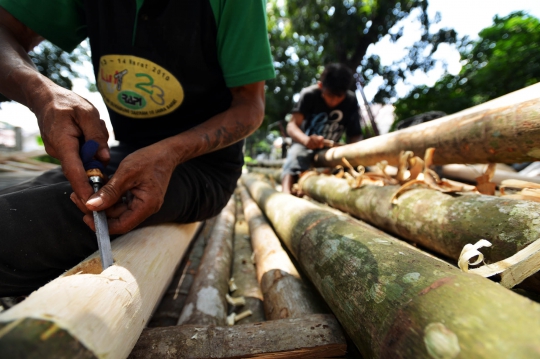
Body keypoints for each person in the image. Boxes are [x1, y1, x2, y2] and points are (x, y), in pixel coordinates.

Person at [0, 0, 275, 296]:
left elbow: (250, 107)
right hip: (126, 154)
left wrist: (170, 153)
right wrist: (42, 92)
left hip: (201, 166)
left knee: (19, 229)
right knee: (21, 198)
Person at [281, 63, 362, 194]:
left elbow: (355, 134)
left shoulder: (351, 100)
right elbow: (291, 125)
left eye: (339, 97)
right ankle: (286, 195)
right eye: (330, 95)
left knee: (360, 166)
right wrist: (306, 140)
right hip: (304, 145)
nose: (334, 101)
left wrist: (355, 152)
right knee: (295, 156)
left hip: (333, 149)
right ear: (320, 86)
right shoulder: (309, 95)